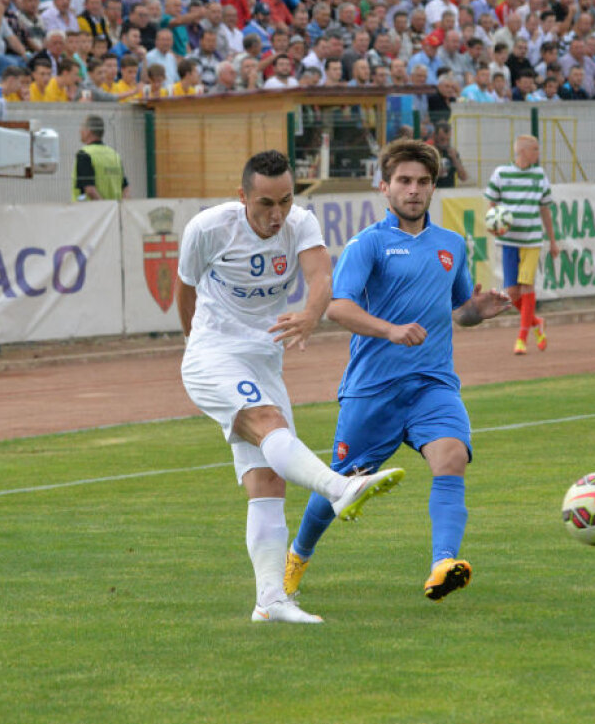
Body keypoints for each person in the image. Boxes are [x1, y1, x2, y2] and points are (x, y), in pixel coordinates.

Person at [178, 149, 406, 624]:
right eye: (264, 203)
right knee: (269, 422)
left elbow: (321, 276)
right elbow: (184, 288)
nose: (275, 214)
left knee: (268, 482)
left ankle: (270, 601)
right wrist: (195, 347)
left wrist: (309, 314)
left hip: (265, 361)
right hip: (213, 354)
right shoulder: (208, 228)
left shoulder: (300, 223)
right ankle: (339, 487)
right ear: (242, 196)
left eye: (284, 200)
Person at [285, 139, 510, 604]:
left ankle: (443, 563)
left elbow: (458, 311)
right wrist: (389, 331)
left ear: (433, 188)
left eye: (423, 182)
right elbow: (337, 308)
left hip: (433, 385)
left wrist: (478, 311)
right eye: (404, 181)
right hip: (374, 390)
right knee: (341, 483)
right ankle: (296, 558)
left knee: (452, 458)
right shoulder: (368, 244)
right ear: (384, 187)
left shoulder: (451, 245)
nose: (414, 190)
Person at [484, 135, 560, 355]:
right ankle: (537, 322)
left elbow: (545, 209)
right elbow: (492, 205)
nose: (538, 152)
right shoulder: (501, 173)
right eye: (535, 149)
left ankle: (522, 338)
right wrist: (494, 223)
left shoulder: (539, 175)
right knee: (512, 293)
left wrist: (552, 241)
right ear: (523, 152)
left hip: (531, 240)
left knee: (527, 286)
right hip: (509, 241)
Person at [72, 114, 128, 201]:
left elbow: (90, 190)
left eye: (82, 127)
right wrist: (119, 208)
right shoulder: (114, 155)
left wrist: (105, 208)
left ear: (88, 131)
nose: (80, 131)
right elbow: (125, 188)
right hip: (115, 211)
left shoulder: (85, 154)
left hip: (91, 211)